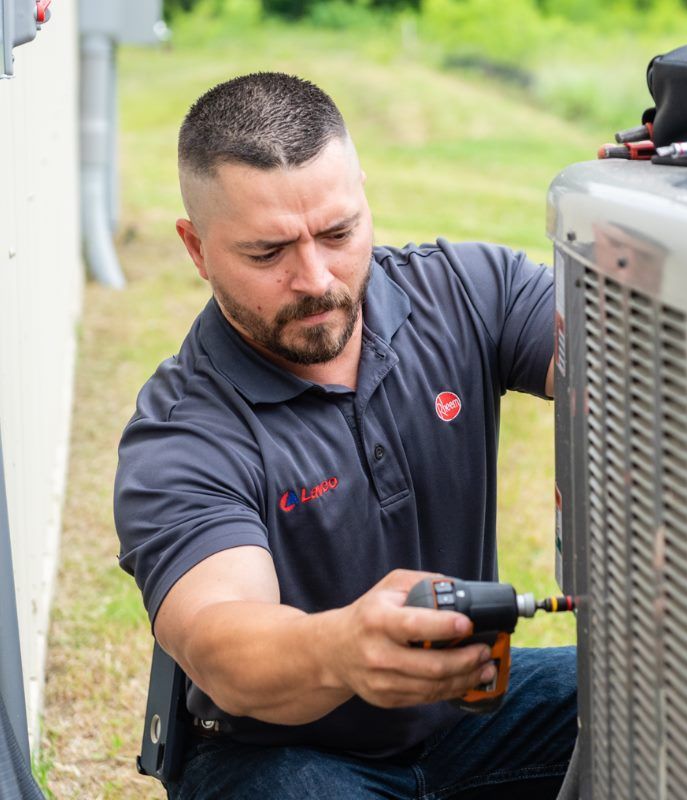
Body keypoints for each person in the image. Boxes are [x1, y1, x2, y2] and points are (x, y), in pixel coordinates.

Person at [113, 72, 576, 800]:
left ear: (364, 194)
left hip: (469, 720)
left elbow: (636, 358)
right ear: (196, 250)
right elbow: (220, 639)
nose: (316, 277)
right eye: (268, 253)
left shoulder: (467, 290)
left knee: (668, 694)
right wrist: (341, 650)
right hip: (280, 757)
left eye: (338, 232)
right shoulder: (183, 431)